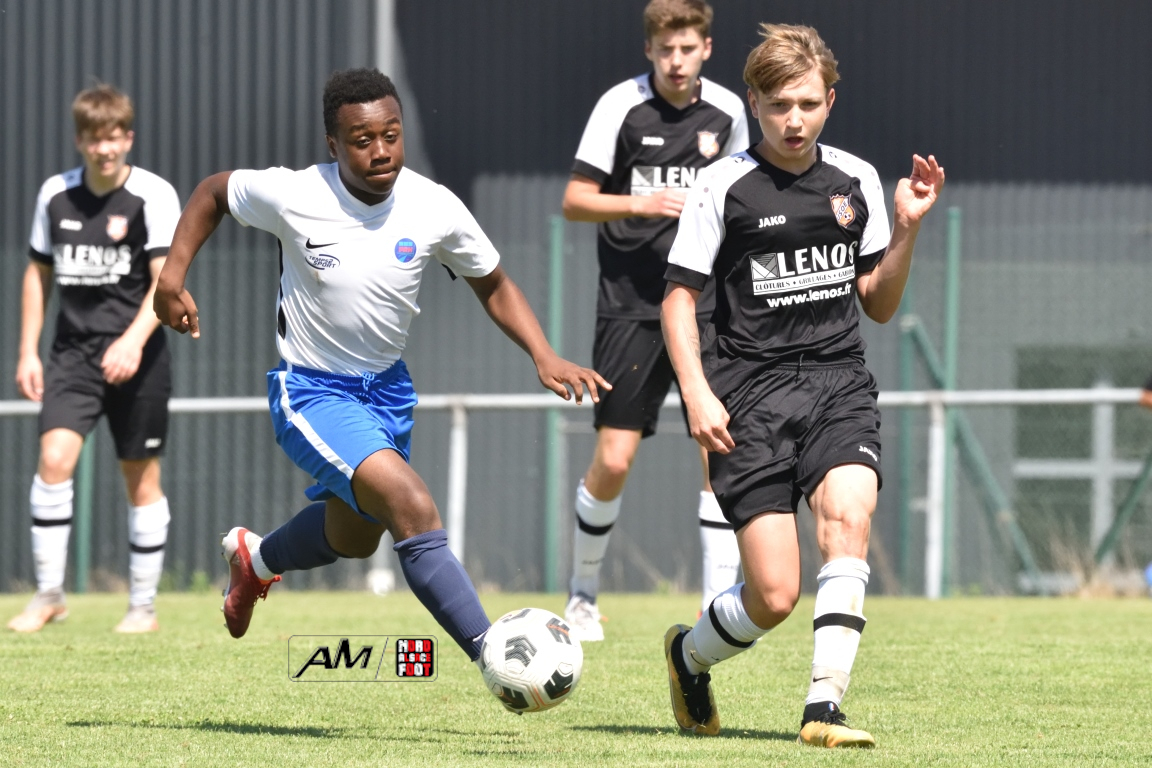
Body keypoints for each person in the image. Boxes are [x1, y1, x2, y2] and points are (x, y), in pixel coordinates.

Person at [153, 69, 608, 676]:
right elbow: (213, 192)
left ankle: (256, 560)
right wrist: (171, 278)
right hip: (311, 390)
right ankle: (494, 656)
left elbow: (493, 282)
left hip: (387, 392)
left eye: (391, 135)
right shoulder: (295, 194)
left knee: (354, 537)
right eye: (362, 139)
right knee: (411, 505)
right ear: (333, 144)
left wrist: (543, 354)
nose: (381, 151)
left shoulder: (434, 205)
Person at [659, 24, 945, 747]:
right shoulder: (721, 185)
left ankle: (824, 708)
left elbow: (878, 303)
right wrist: (695, 391)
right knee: (775, 594)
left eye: (809, 104)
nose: (794, 120)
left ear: (831, 102)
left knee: (849, 517)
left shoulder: (855, 181)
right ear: (753, 102)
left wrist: (907, 229)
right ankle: (688, 657)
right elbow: (678, 299)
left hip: (837, 381)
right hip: (747, 396)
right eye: (780, 104)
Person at [561, 0, 749, 641]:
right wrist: (643, 203)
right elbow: (575, 200)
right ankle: (582, 595)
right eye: (665, 49)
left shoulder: (729, 112)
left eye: (687, 48)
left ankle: (715, 604)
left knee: (717, 447)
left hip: (706, 306)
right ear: (649, 50)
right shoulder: (620, 106)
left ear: (707, 49)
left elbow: (745, 199)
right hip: (631, 304)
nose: (676, 60)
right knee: (614, 459)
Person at [8, 85, 181, 635]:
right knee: (53, 460)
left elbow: (165, 283)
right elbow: (37, 274)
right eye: (94, 139)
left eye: (113, 138)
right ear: (80, 140)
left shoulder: (154, 195)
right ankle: (49, 597)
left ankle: (142, 608)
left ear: (128, 138)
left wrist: (131, 342)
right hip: (72, 356)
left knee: (140, 478)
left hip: (140, 356)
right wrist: (27, 351)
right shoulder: (55, 194)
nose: (104, 149)